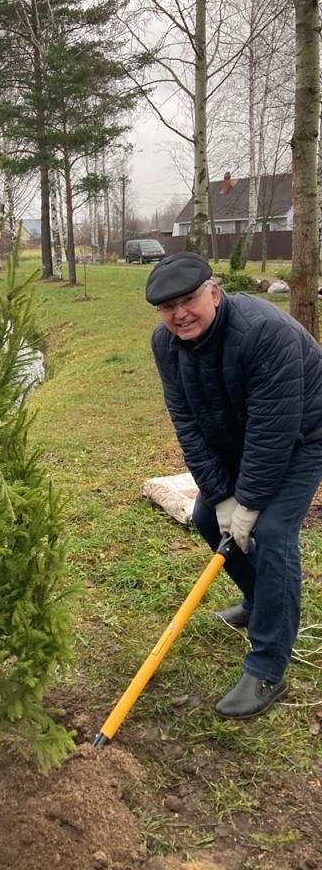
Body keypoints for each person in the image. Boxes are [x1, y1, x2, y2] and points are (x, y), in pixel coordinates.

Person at [145, 252, 322, 720]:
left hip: (303, 435)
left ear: (214, 292)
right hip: (239, 437)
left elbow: (274, 431)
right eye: (168, 307)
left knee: (272, 531)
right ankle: (257, 601)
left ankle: (267, 669)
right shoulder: (165, 344)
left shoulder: (265, 332)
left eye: (189, 299)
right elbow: (188, 424)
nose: (179, 313)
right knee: (207, 516)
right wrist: (221, 496)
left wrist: (249, 503)